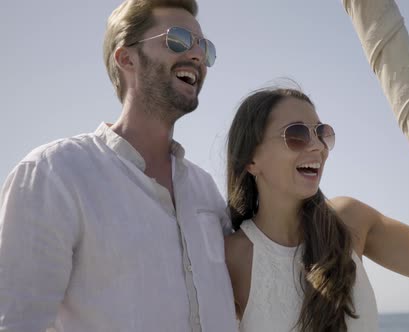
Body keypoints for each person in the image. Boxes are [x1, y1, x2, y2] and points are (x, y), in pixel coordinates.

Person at [0, 1, 237, 331]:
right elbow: (16, 322)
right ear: (127, 58)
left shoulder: (206, 191)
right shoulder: (52, 174)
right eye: (179, 40)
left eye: (204, 47)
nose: (197, 55)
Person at [224, 87, 409, 332]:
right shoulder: (230, 257)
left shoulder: (349, 220)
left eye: (322, 134)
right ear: (251, 160)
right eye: (297, 135)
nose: (318, 147)